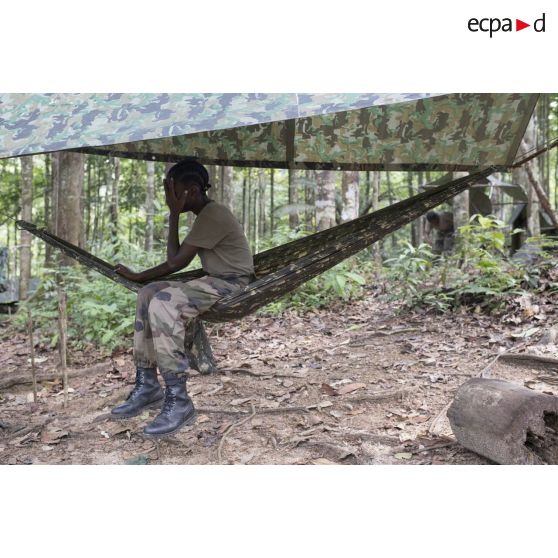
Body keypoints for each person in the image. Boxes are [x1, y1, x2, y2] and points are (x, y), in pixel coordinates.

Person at [112, 161, 254, 438]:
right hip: (213, 280)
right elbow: (174, 258)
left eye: (171, 191)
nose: (167, 198)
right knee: (147, 294)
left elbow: (176, 263)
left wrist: (141, 273)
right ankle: (148, 384)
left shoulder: (214, 214)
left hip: (231, 284)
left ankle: (179, 401)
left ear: (188, 191)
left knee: (164, 302)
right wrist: (144, 280)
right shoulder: (205, 214)